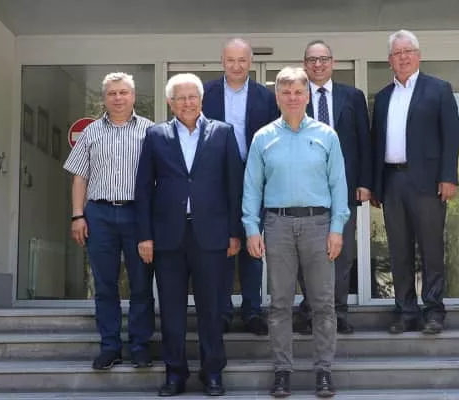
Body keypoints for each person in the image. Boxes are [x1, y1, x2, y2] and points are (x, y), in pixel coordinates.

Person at [243, 66, 349, 398]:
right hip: (277, 225)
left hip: (318, 224)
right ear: (277, 97)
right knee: (279, 303)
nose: (292, 98)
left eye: (298, 92)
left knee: (323, 303)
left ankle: (324, 371)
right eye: (286, 92)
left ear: (307, 96)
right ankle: (282, 371)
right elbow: (252, 188)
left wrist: (337, 228)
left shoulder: (326, 135)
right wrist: (251, 228)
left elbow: (338, 185)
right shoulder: (263, 138)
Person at [135, 73, 244, 397]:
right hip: (168, 236)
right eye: (180, 98)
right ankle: (175, 374)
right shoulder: (156, 135)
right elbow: (143, 189)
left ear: (201, 99)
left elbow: (234, 187)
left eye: (192, 97)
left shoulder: (223, 133)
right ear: (170, 103)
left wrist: (234, 232)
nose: (187, 103)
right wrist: (145, 235)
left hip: (211, 235)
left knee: (212, 309)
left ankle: (213, 373)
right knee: (171, 310)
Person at [370, 30, 459, 335]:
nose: (403, 57)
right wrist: (376, 185)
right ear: (389, 60)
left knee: (431, 248)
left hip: (428, 182)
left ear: (418, 55)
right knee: (399, 250)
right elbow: (376, 142)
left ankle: (433, 310)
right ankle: (406, 310)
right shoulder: (383, 97)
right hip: (393, 181)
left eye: (408, 51)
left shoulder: (439, 89)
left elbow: (451, 136)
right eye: (397, 53)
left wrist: (448, 176)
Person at [63, 72, 155, 370]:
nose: (118, 98)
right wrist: (78, 214)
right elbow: (80, 177)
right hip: (99, 215)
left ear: (133, 96)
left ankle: (140, 346)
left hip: (137, 214)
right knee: (104, 284)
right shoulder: (91, 132)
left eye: (123, 92)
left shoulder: (150, 131)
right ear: (104, 98)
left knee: (141, 283)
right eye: (112, 93)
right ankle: (110, 346)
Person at [203, 37, 279, 335]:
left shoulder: (265, 97)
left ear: (250, 62)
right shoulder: (205, 94)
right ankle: (221, 311)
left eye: (242, 60)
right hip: (216, 177)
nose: (236, 66)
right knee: (221, 245)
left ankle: (252, 311)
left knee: (252, 243)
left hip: (254, 175)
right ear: (222, 61)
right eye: (231, 60)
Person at [296, 40, 372, 335]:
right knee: (307, 253)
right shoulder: (296, 96)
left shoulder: (352, 96)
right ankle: (310, 311)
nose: (318, 65)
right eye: (312, 60)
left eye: (323, 59)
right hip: (305, 189)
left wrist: (364, 181)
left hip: (345, 187)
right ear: (305, 64)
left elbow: (364, 140)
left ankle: (337, 312)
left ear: (333, 62)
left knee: (342, 252)